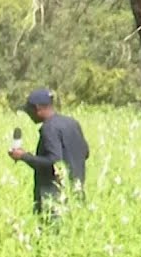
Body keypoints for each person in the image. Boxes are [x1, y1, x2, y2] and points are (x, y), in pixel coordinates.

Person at [10, 88, 89, 227]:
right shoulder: (71, 123)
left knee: (51, 235)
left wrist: (24, 156)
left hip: (54, 197)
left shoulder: (49, 128)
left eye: (29, 110)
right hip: (75, 192)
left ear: (38, 108)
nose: (29, 114)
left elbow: (53, 161)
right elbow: (85, 152)